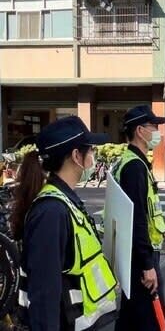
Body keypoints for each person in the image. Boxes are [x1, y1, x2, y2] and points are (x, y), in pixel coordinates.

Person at [11, 116, 118, 330]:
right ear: (76, 156)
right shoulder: (51, 212)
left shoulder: (64, 201)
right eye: (90, 150)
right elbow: (43, 295)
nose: (94, 156)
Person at [113, 105, 165, 331]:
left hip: (132, 255)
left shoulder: (133, 161)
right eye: (153, 126)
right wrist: (147, 264)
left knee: (131, 316)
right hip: (140, 259)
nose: (157, 131)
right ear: (139, 131)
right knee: (149, 320)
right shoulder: (134, 167)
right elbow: (137, 218)